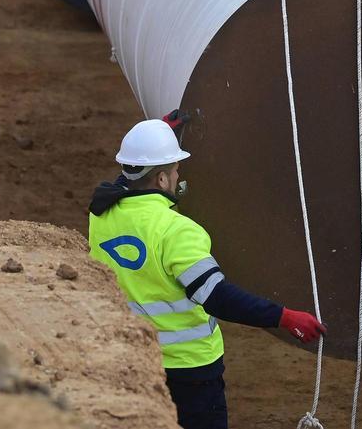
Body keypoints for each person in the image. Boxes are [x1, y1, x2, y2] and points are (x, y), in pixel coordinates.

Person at [89, 113, 326, 429]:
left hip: (132, 361)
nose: (177, 177)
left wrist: (157, 136)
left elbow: (123, 182)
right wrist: (282, 317)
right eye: (174, 171)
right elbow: (217, 297)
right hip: (190, 372)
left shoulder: (101, 215)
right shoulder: (178, 232)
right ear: (161, 179)